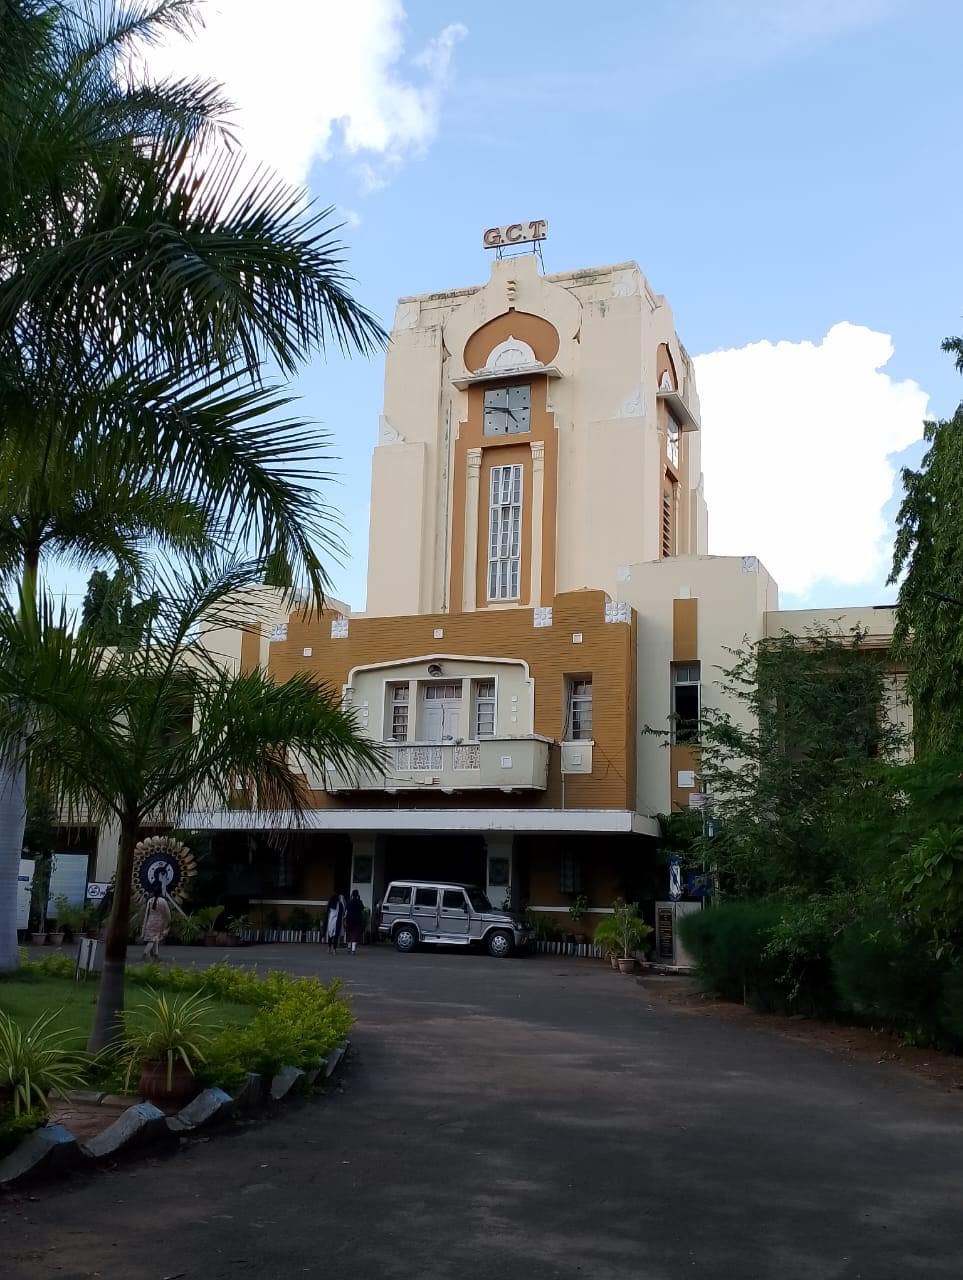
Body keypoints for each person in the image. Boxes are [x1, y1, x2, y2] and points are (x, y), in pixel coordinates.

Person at [141, 883, 172, 961]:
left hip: (150, 921)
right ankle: (145, 953)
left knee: (154, 939)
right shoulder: (163, 901)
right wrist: (168, 921)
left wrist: (144, 925)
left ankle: (156, 955)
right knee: (153, 940)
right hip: (159, 922)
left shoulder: (150, 901)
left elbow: (147, 913)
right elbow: (167, 912)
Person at [345, 889, 365, 955]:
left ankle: (348, 948)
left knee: (349, 933)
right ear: (357, 895)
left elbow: (347, 909)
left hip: (349, 919)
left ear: (352, 895)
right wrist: (359, 899)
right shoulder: (359, 902)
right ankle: (353, 950)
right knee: (355, 934)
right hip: (357, 920)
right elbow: (362, 908)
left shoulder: (349, 902)